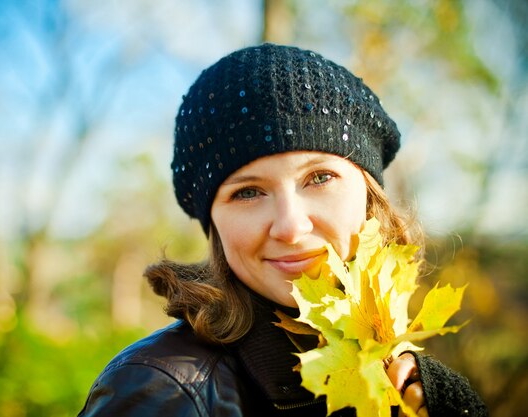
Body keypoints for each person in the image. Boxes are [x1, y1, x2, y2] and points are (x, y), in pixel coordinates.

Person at [77, 43, 488, 417]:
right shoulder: (164, 390)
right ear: (214, 225)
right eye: (248, 192)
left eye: (320, 178)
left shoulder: (396, 367)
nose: (291, 227)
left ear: (370, 196)